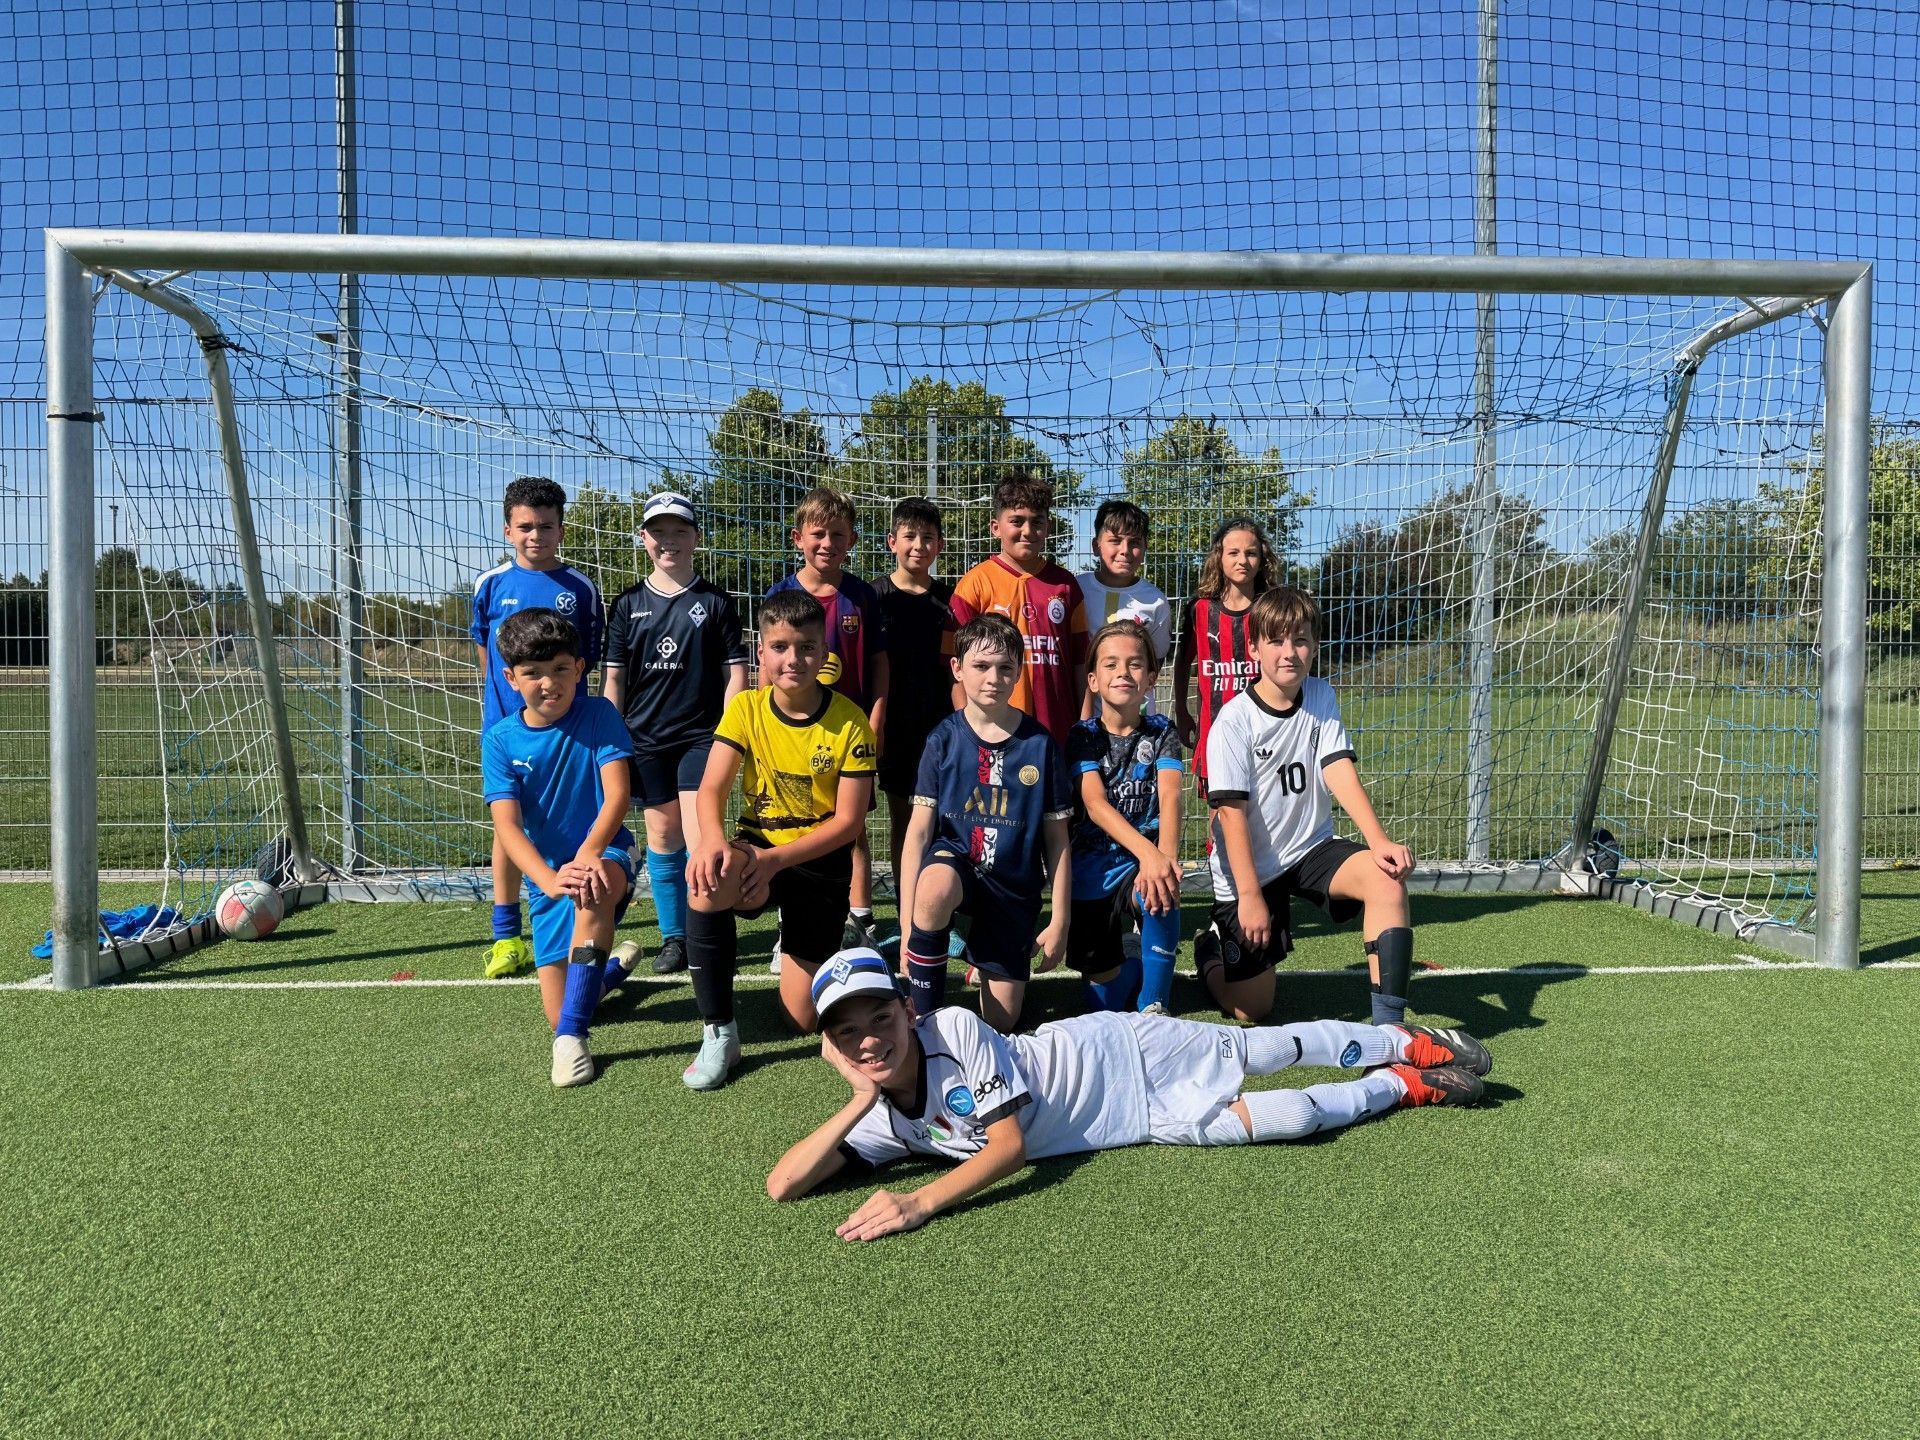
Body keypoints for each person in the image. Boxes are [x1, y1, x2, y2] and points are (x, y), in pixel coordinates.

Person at [766, 948, 1491, 1241]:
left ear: (907, 1010)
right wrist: (857, 1102)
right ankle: (1399, 1087)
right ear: (833, 1046)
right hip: (1136, 1120)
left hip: (1124, 1049)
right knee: (1294, 1116)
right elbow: (783, 1186)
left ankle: (1404, 1042)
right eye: (848, 1033)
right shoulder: (883, 1121)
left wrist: (919, 1202)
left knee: (1271, 1050)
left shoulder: (951, 1029)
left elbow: (1009, 1146)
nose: (870, 1041)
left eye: (880, 1018)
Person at [680, 589, 879, 1091]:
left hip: (819, 863)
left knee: (801, 1021)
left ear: (824, 652)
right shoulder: (746, 708)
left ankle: (827, 940)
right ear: (762, 652)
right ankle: (719, 1031)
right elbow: (711, 790)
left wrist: (776, 862)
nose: (794, 659)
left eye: (807, 647)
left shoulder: (851, 721)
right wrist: (711, 841)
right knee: (707, 878)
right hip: (758, 849)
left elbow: (849, 823)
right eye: (781, 647)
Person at [1201, 587, 1417, 1026]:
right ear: (1254, 648)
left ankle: (1390, 1029)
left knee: (1387, 879)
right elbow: (1230, 815)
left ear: (1315, 646)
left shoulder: (1320, 694)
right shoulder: (1234, 722)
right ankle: (1209, 949)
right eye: (1276, 641)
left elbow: (1337, 769)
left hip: (1310, 849)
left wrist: (1378, 841)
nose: (1289, 652)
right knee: (1252, 1010)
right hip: (1252, 870)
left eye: (1300, 640)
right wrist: (1250, 897)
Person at [480, 609, 635, 1088]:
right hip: (548, 877)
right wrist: (548, 881)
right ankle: (612, 968)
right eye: (533, 673)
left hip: (606, 855)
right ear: (511, 678)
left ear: (580, 668)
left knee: (590, 889)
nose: (549, 683)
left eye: (561, 669)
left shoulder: (599, 715)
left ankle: (570, 1039)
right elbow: (507, 827)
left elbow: (618, 796)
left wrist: (588, 852)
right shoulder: (500, 740)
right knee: (558, 1007)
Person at [897, 614, 1072, 1033]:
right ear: (957, 669)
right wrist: (907, 926)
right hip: (956, 864)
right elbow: (918, 833)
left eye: (1005, 667)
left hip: (1012, 886)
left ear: (1019, 672)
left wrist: (1060, 921)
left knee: (1002, 1021)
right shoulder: (943, 739)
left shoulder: (1040, 745)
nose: (993, 678)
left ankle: (978, 955)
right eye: (981, 666)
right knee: (933, 889)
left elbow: (1058, 841)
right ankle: (925, 1020)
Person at [603, 491, 748, 977]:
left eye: (679, 531)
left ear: (696, 538)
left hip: (702, 737)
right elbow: (614, 680)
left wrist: (728, 735)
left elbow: (735, 675)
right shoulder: (626, 604)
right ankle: (675, 937)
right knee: (663, 836)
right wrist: (610, 739)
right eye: (658, 532)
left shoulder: (716, 601)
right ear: (643, 539)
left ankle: (708, 930)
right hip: (644, 739)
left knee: (701, 832)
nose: (669, 541)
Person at [470, 476, 605, 980]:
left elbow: (587, 658)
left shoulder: (580, 588)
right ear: (508, 530)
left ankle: (581, 916)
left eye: (546, 526)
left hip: (569, 734)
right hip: (508, 731)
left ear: (561, 531)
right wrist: (510, 714)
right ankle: (507, 936)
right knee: (508, 826)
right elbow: (488, 655)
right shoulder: (490, 584)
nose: (536, 535)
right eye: (525, 526)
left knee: (572, 821)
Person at [766, 486, 889, 951]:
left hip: (848, 734)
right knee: (793, 823)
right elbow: (768, 665)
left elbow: (879, 664)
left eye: (838, 535)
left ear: (852, 540)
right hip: (794, 732)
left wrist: (876, 721)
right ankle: (791, 923)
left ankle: (860, 919)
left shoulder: (862, 596)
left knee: (851, 827)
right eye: (818, 534)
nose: (828, 544)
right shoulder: (780, 594)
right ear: (798, 537)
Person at [1066, 620, 1184, 1015]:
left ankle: (1156, 1004)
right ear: (1093, 680)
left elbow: (1170, 795)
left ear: (1150, 679)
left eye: (1135, 664)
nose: (1123, 673)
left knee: (1161, 889)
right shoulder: (1082, 736)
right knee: (1105, 1006)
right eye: (1111, 664)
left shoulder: (1161, 730)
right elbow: (1096, 805)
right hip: (1093, 868)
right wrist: (1151, 855)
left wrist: (1164, 858)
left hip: (1141, 866)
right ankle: (1131, 954)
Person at [948, 469, 1087, 746]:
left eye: (1037, 522)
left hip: (1057, 732)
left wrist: (1084, 726)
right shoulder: (974, 584)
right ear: (995, 527)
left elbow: (1081, 664)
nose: (1027, 531)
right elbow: (954, 668)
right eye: (1016, 521)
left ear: (1048, 528)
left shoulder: (1066, 586)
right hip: (992, 734)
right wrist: (969, 731)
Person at [872, 497, 956, 900]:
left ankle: (942, 908)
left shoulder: (951, 600)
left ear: (940, 545)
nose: (918, 545)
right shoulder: (873, 597)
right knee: (903, 818)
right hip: (893, 726)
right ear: (892, 541)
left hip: (941, 725)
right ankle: (907, 907)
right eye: (909, 536)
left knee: (943, 819)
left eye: (927, 537)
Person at [1172, 516, 1274, 798]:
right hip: (1214, 732)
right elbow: (1183, 662)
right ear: (1219, 557)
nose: (1243, 560)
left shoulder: (1271, 609)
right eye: (1233, 553)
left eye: (1251, 553)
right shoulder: (1199, 609)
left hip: (1265, 731)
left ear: (1262, 558)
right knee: (1220, 816)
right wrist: (1181, 710)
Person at [1074, 499, 1173, 720]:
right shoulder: (1076, 589)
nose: (1125, 551)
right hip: (1084, 716)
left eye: (1134, 542)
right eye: (1115, 541)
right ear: (1096, 546)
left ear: (1145, 548)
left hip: (1137, 719)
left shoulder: (1155, 601)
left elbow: (1155, 659)